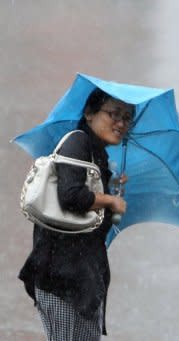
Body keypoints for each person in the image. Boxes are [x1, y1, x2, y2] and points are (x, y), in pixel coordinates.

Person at [19, 88, 132, 340]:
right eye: (114, 114)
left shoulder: (99, 156)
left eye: (127, 118)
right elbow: (71, 197)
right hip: (61, 275)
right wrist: (108, 199)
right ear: (90, 114)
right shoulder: (77, 142)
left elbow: (97, 224)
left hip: (83, 276)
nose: (121, 123)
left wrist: (113, 190)